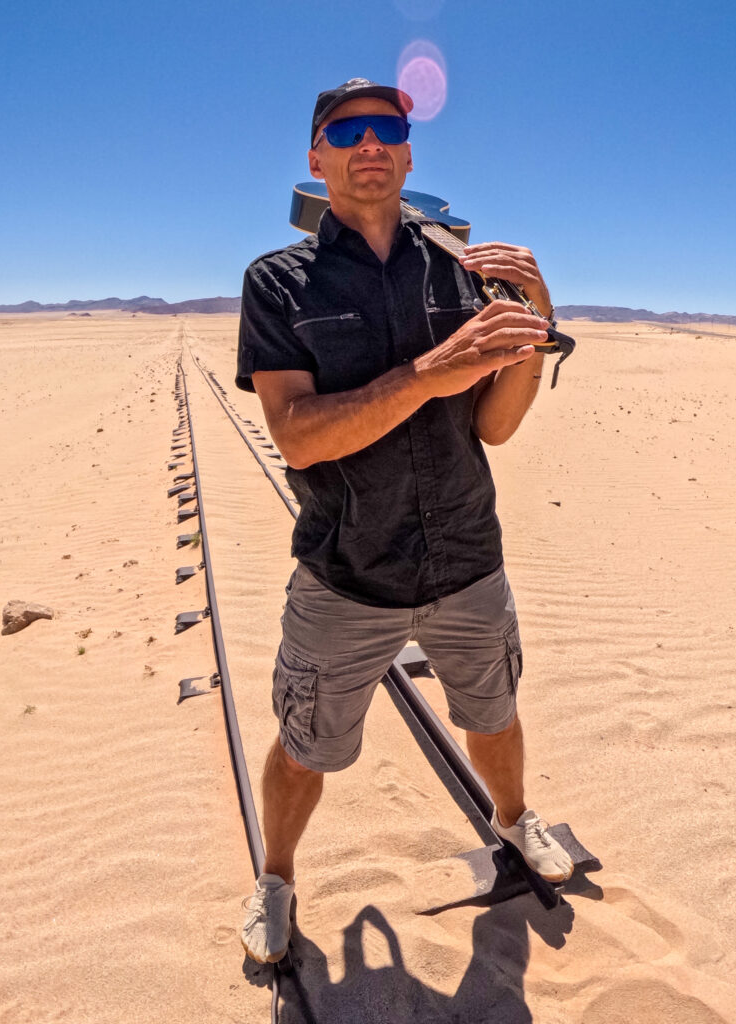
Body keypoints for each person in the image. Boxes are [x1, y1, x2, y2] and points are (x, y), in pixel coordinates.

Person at [236, 78, 574, 966]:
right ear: (318, 160)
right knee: (306, 745)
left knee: (493, 715)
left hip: (468, 559)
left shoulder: (462, 276)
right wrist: (428, 372)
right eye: (345, 131)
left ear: (410, 153)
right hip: (348, 573)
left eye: (388, 127)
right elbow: (299, 438)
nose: (369, 142)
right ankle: (275, 876)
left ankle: (513, 819)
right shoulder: (280, 283)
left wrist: (535, 329)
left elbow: (494, 426)